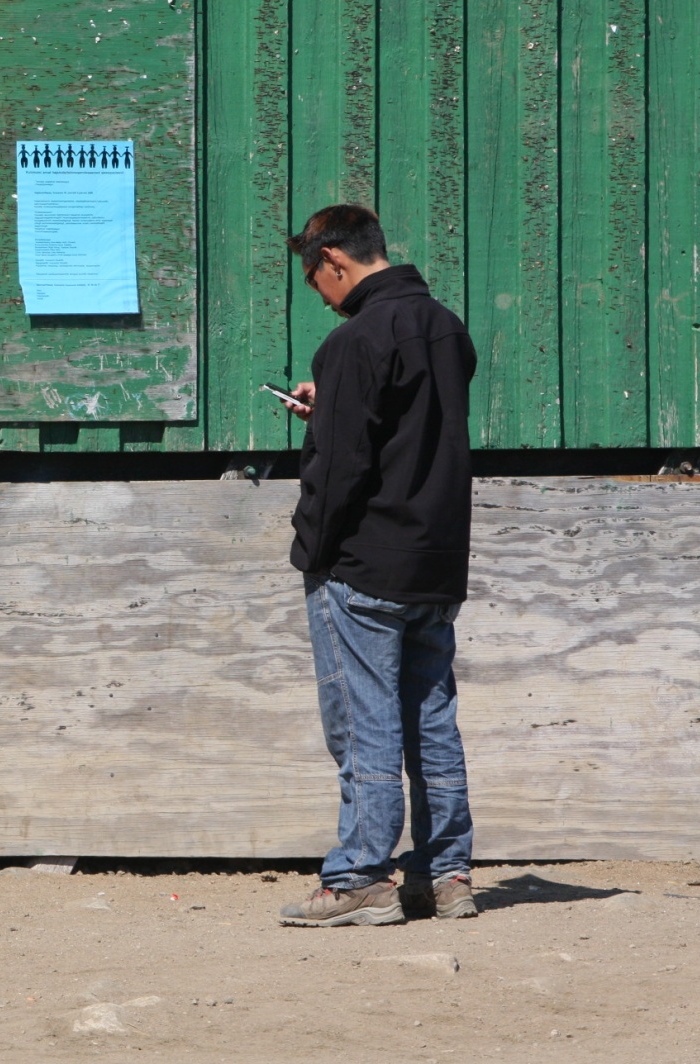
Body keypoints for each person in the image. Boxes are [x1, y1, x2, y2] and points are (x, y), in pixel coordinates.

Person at [274, 204, 479, 928]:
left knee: (364, 727)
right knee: (432, 722)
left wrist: (312, 551)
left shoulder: (353, 341)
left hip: (364, 563)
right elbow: (409, 422)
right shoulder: (447, 328)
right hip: (436, 560)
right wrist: (332, 405)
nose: (320, 294)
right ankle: (447, 875)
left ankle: (359, 875)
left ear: (335, 259)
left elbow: (341, 469)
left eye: (314, 279)